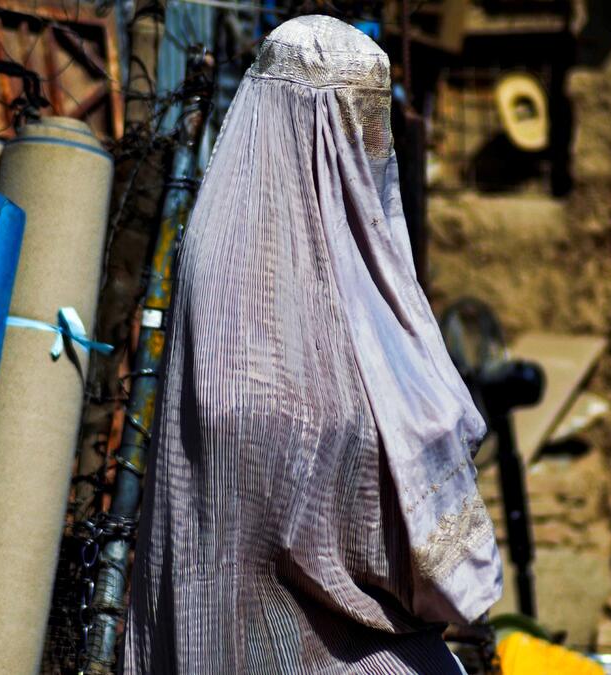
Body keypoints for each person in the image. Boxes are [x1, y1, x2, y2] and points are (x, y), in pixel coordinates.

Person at [124, 15, 502, 673]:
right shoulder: (231, 267)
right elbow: (269, 439)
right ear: (305, 123)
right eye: (357, 115)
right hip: (270, 631)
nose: (375, 138)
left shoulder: (358, 263)